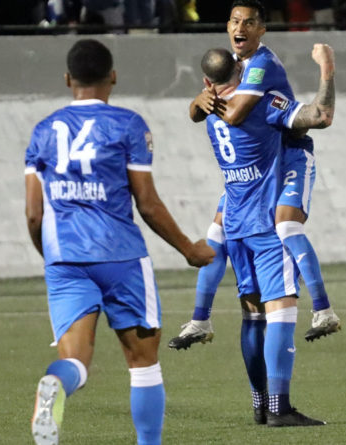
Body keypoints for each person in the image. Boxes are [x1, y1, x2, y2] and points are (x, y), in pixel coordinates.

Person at [24, 39, 215, 445]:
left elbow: (33, 215)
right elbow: (146, 203)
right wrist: (189, 249)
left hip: (65, 260)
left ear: (67, 79)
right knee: (143, 363)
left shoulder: (43, 132)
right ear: (113, 76)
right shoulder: (128, 125)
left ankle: (56, 385)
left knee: (75, 359)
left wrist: (53, 258)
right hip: (121, 257)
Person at [169, 0, 340, 350]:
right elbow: (196, 111)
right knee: (216, 233)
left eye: (248, 23)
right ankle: (200, 319)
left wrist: (207, 98)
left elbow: (235, 114)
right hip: (253, 170)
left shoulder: (261, 64)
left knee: (286, 226)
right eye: (234, 21)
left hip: (288, 156)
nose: (239, 28)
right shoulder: (234, 65)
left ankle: (323, 309)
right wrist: (198, 101)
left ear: (262, 29)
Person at [193, 43, 335, 426]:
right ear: (240, 77)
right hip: (264, 224)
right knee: (282, 312)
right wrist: (326, 69)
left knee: (251, 317)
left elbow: (199, 109)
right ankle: (279, 407)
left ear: (208, 83)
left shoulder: (208, 117)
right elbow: (319, 116)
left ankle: (259, 403)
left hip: (235, 226)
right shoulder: (261, 107)